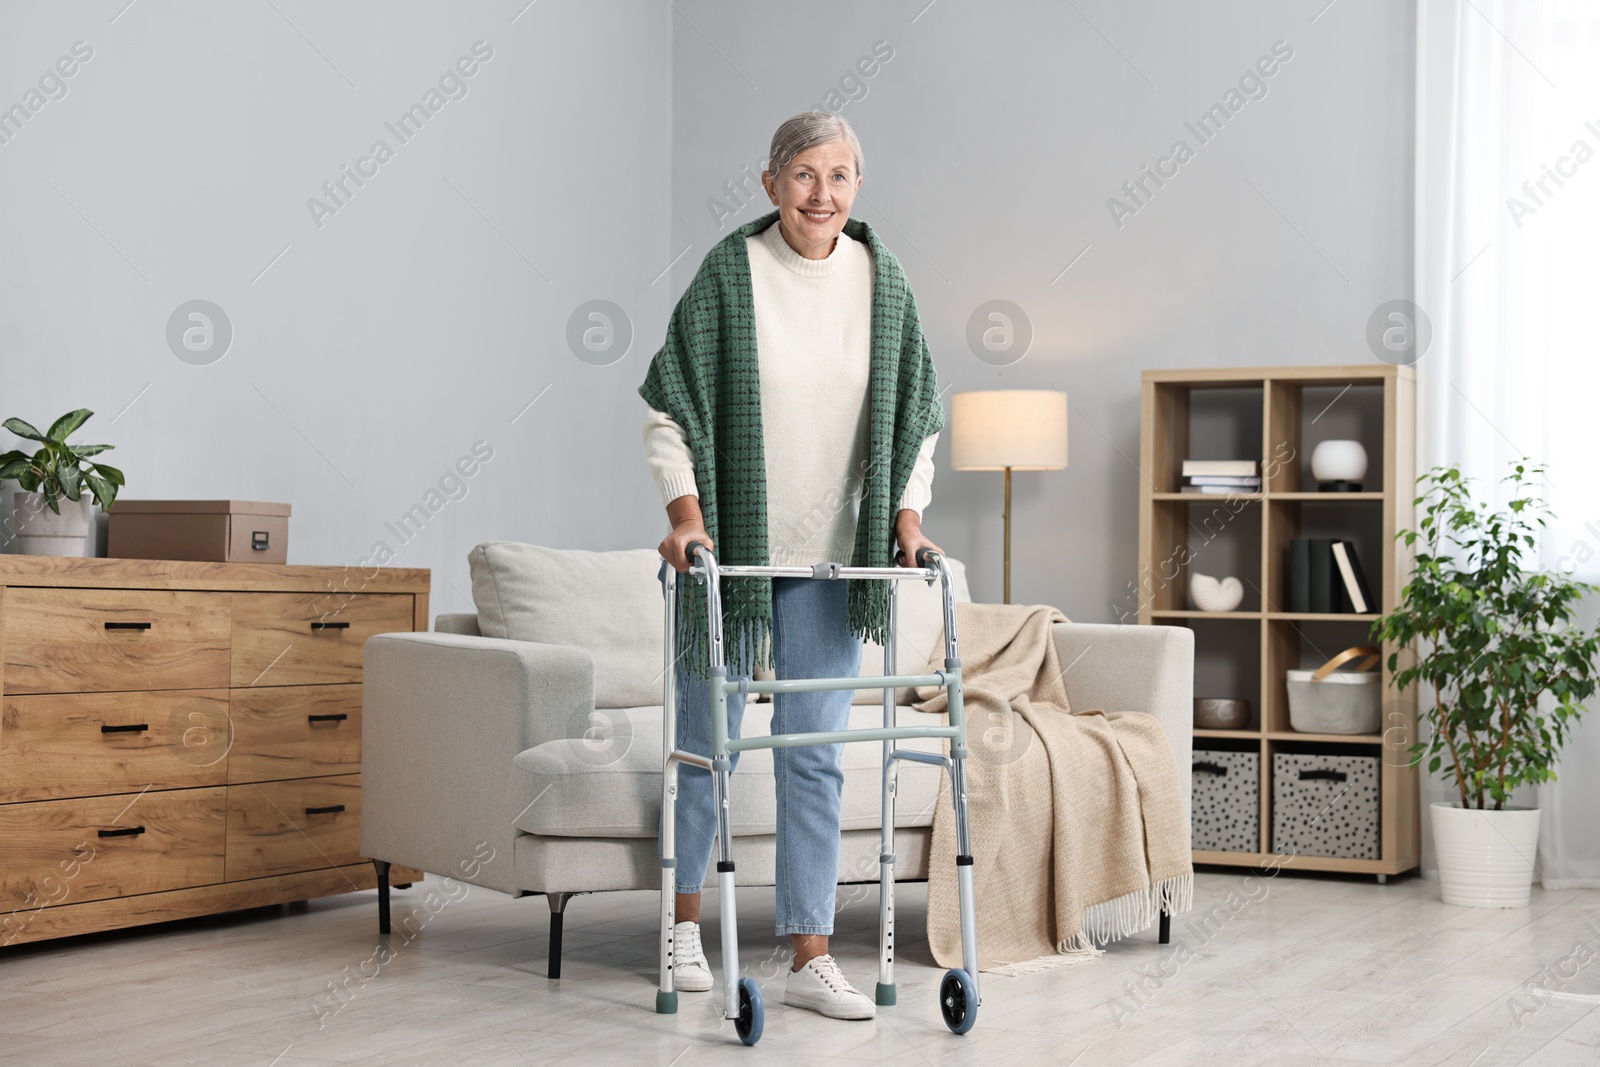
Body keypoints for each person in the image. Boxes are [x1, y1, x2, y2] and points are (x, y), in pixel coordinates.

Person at [639, 111, 943, 1021]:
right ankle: (680, 924)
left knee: (815, 753)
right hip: (732, 552)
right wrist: (686, 520)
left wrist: (908, 520)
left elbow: (918, 415)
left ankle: (811, 952)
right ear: (770, 183)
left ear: (859, 186)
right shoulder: (730, 278)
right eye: (804, 175)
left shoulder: (882, 283)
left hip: (834, 557)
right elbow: (670, 410)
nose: (823, 195)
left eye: (841, 175)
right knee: (708, 745)